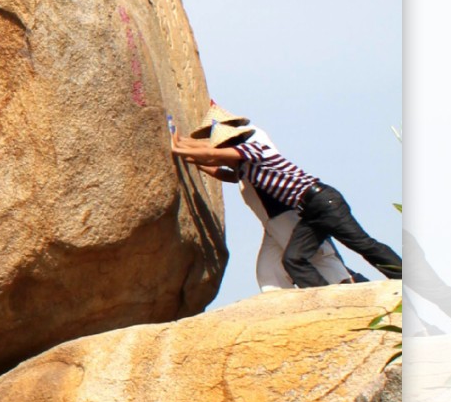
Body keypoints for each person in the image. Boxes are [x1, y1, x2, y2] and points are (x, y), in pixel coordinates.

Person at [171, 106, 402, 290]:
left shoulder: (255, 150)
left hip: (324, 201)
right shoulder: (245, 168)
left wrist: (179, 148)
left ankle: (402, 277)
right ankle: (328, 298)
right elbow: (222, 171)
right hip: (310, 211)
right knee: (293, 259)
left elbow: (213, 154)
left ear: (231, 144)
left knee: (362, 243)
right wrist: (190, 156)